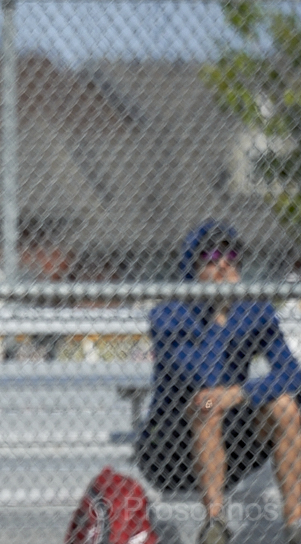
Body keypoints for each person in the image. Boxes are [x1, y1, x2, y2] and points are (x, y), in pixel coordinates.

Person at [136, 220, 301, 544]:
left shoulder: (254, 309)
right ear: (192, 266)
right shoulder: (168, 315)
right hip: (171, 447)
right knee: (207, 401)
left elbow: (292, 374)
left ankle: (295, 524)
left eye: (231, 255)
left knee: (283, 406)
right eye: (211, 257)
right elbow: (204, 377)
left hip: (232, 442)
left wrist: (241, 393)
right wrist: (219, 317)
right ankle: (215, 524)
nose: (224, 264)